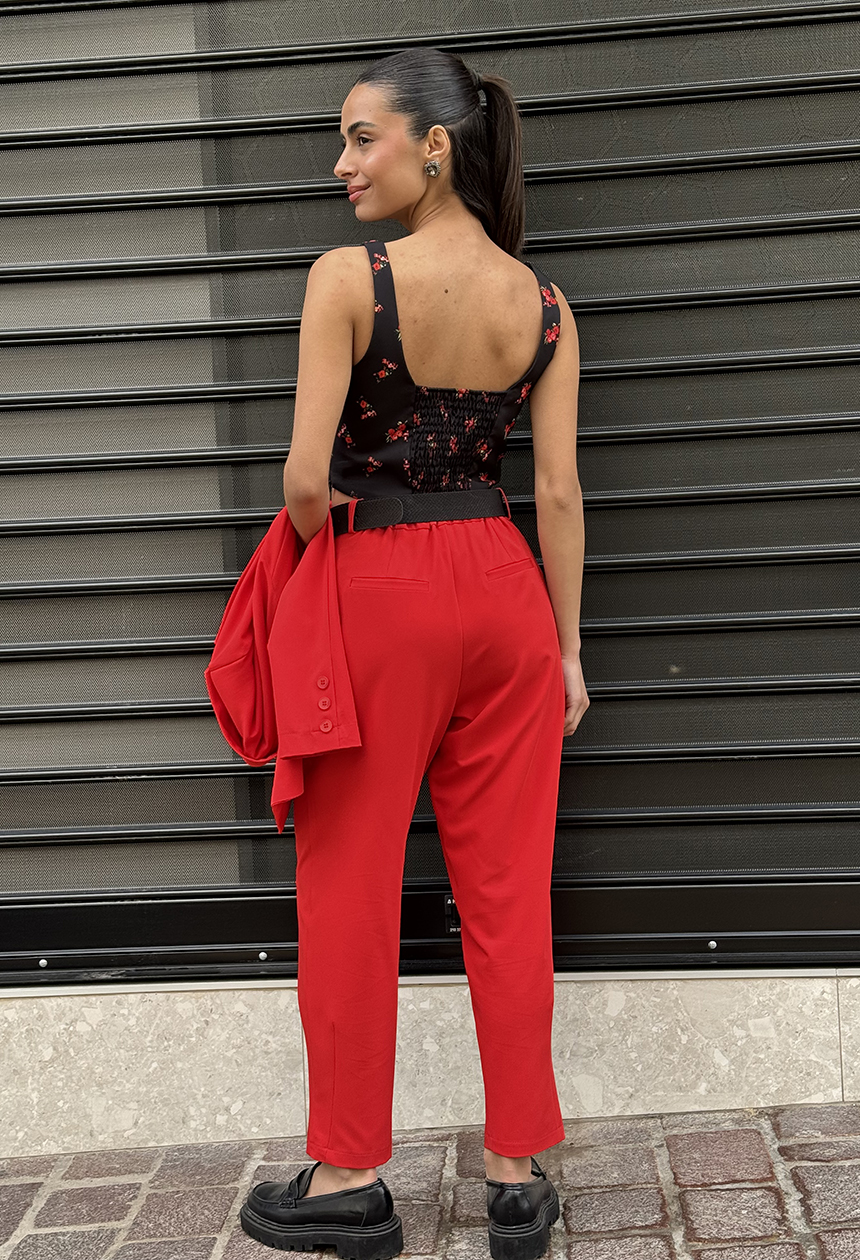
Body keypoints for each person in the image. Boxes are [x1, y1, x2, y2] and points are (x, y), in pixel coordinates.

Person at [239, 45, 587, 1260]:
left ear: (433, 146)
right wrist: (568, 653)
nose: (339, 163)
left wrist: (325, 552)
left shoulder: (348, 279)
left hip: (378, 584)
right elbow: (556, 494)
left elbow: (302, 479)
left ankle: (345, 1177)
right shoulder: (545, 306)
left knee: (348, 887)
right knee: (507, 891)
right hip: (506, 594)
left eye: (359, 137)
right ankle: (516, 1170)